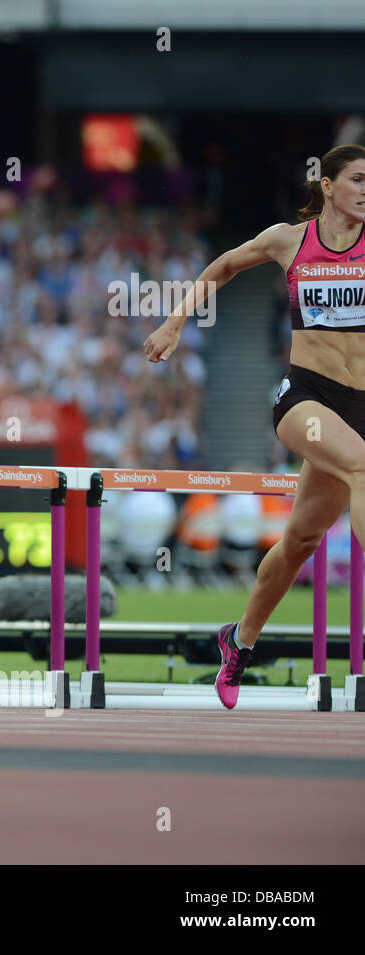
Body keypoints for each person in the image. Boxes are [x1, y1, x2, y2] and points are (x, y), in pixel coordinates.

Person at [145, 143, 365, 708]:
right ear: (328, 186)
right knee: (364, 466)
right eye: (360, 179)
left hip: (360, 405)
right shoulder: (288, 241)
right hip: (306, 399)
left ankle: (238, 642)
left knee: (301, 540)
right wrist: (174, 324)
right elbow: (222, 267)